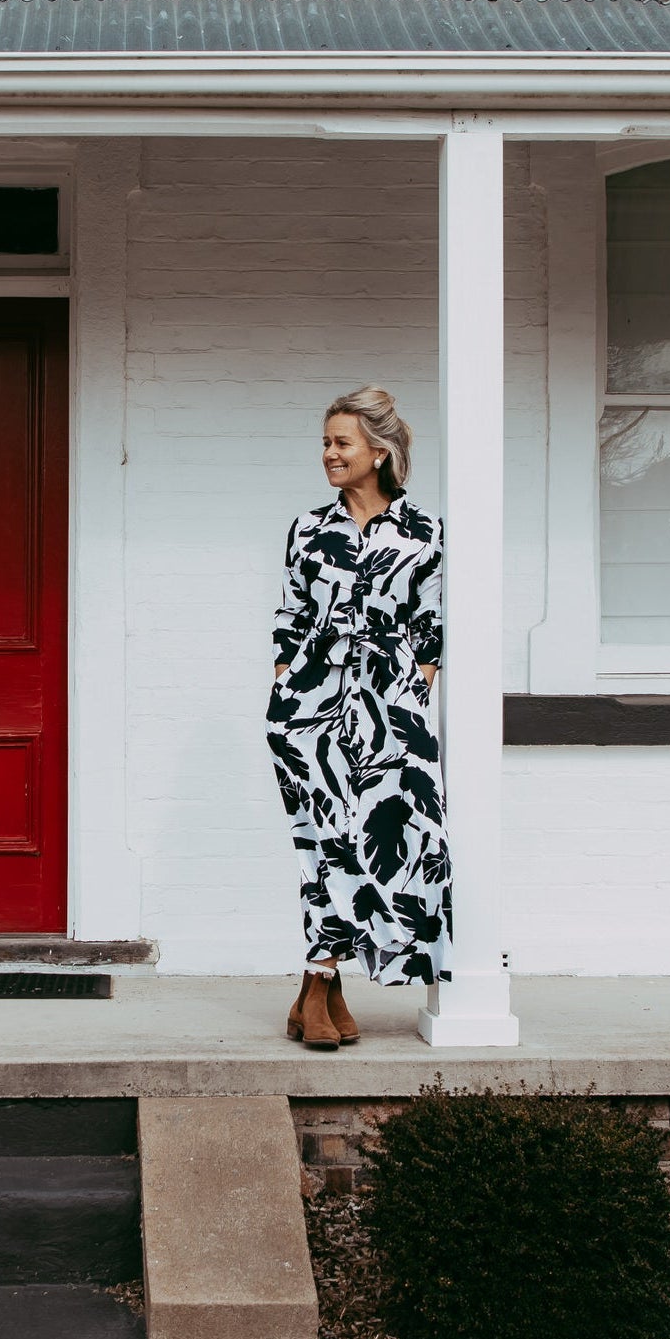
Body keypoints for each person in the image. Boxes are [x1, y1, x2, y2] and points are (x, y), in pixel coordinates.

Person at [267, 386, 451, 1051]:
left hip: (389, 706)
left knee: (392, 837)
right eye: (325, 442)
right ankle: (321, 987)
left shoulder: (425, 531)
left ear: (379, 452)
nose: (329, 454)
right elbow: (290, 612)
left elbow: (431, 621)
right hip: (310, 704)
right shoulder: (309, 528)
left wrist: (412, 687)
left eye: (341, 443)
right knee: (322, 839)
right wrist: (285, 680)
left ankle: (317, 988)